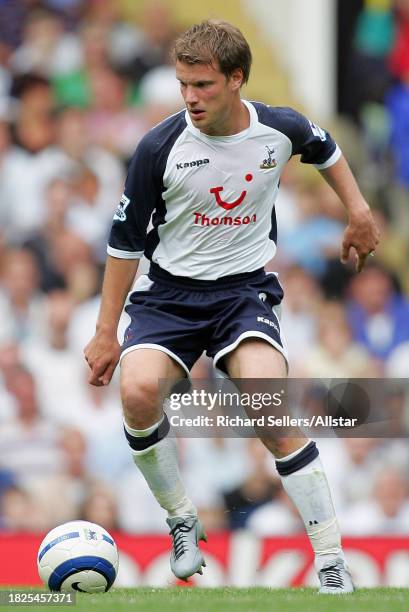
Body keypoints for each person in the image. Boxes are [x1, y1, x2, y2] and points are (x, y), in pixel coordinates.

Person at [84, 20, 379, 593]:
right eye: (183, 85)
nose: (191, 97)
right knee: (138, 391)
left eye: (203, 85)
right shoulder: (158, 148)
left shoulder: (278, 129)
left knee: (270, 406)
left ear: (236, 79)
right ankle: (183, 521)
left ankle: (331, 562)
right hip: (169, 296)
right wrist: (104, 332)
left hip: (242, 292)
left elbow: (326, 149)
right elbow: (123, 244)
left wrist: (359, 211)